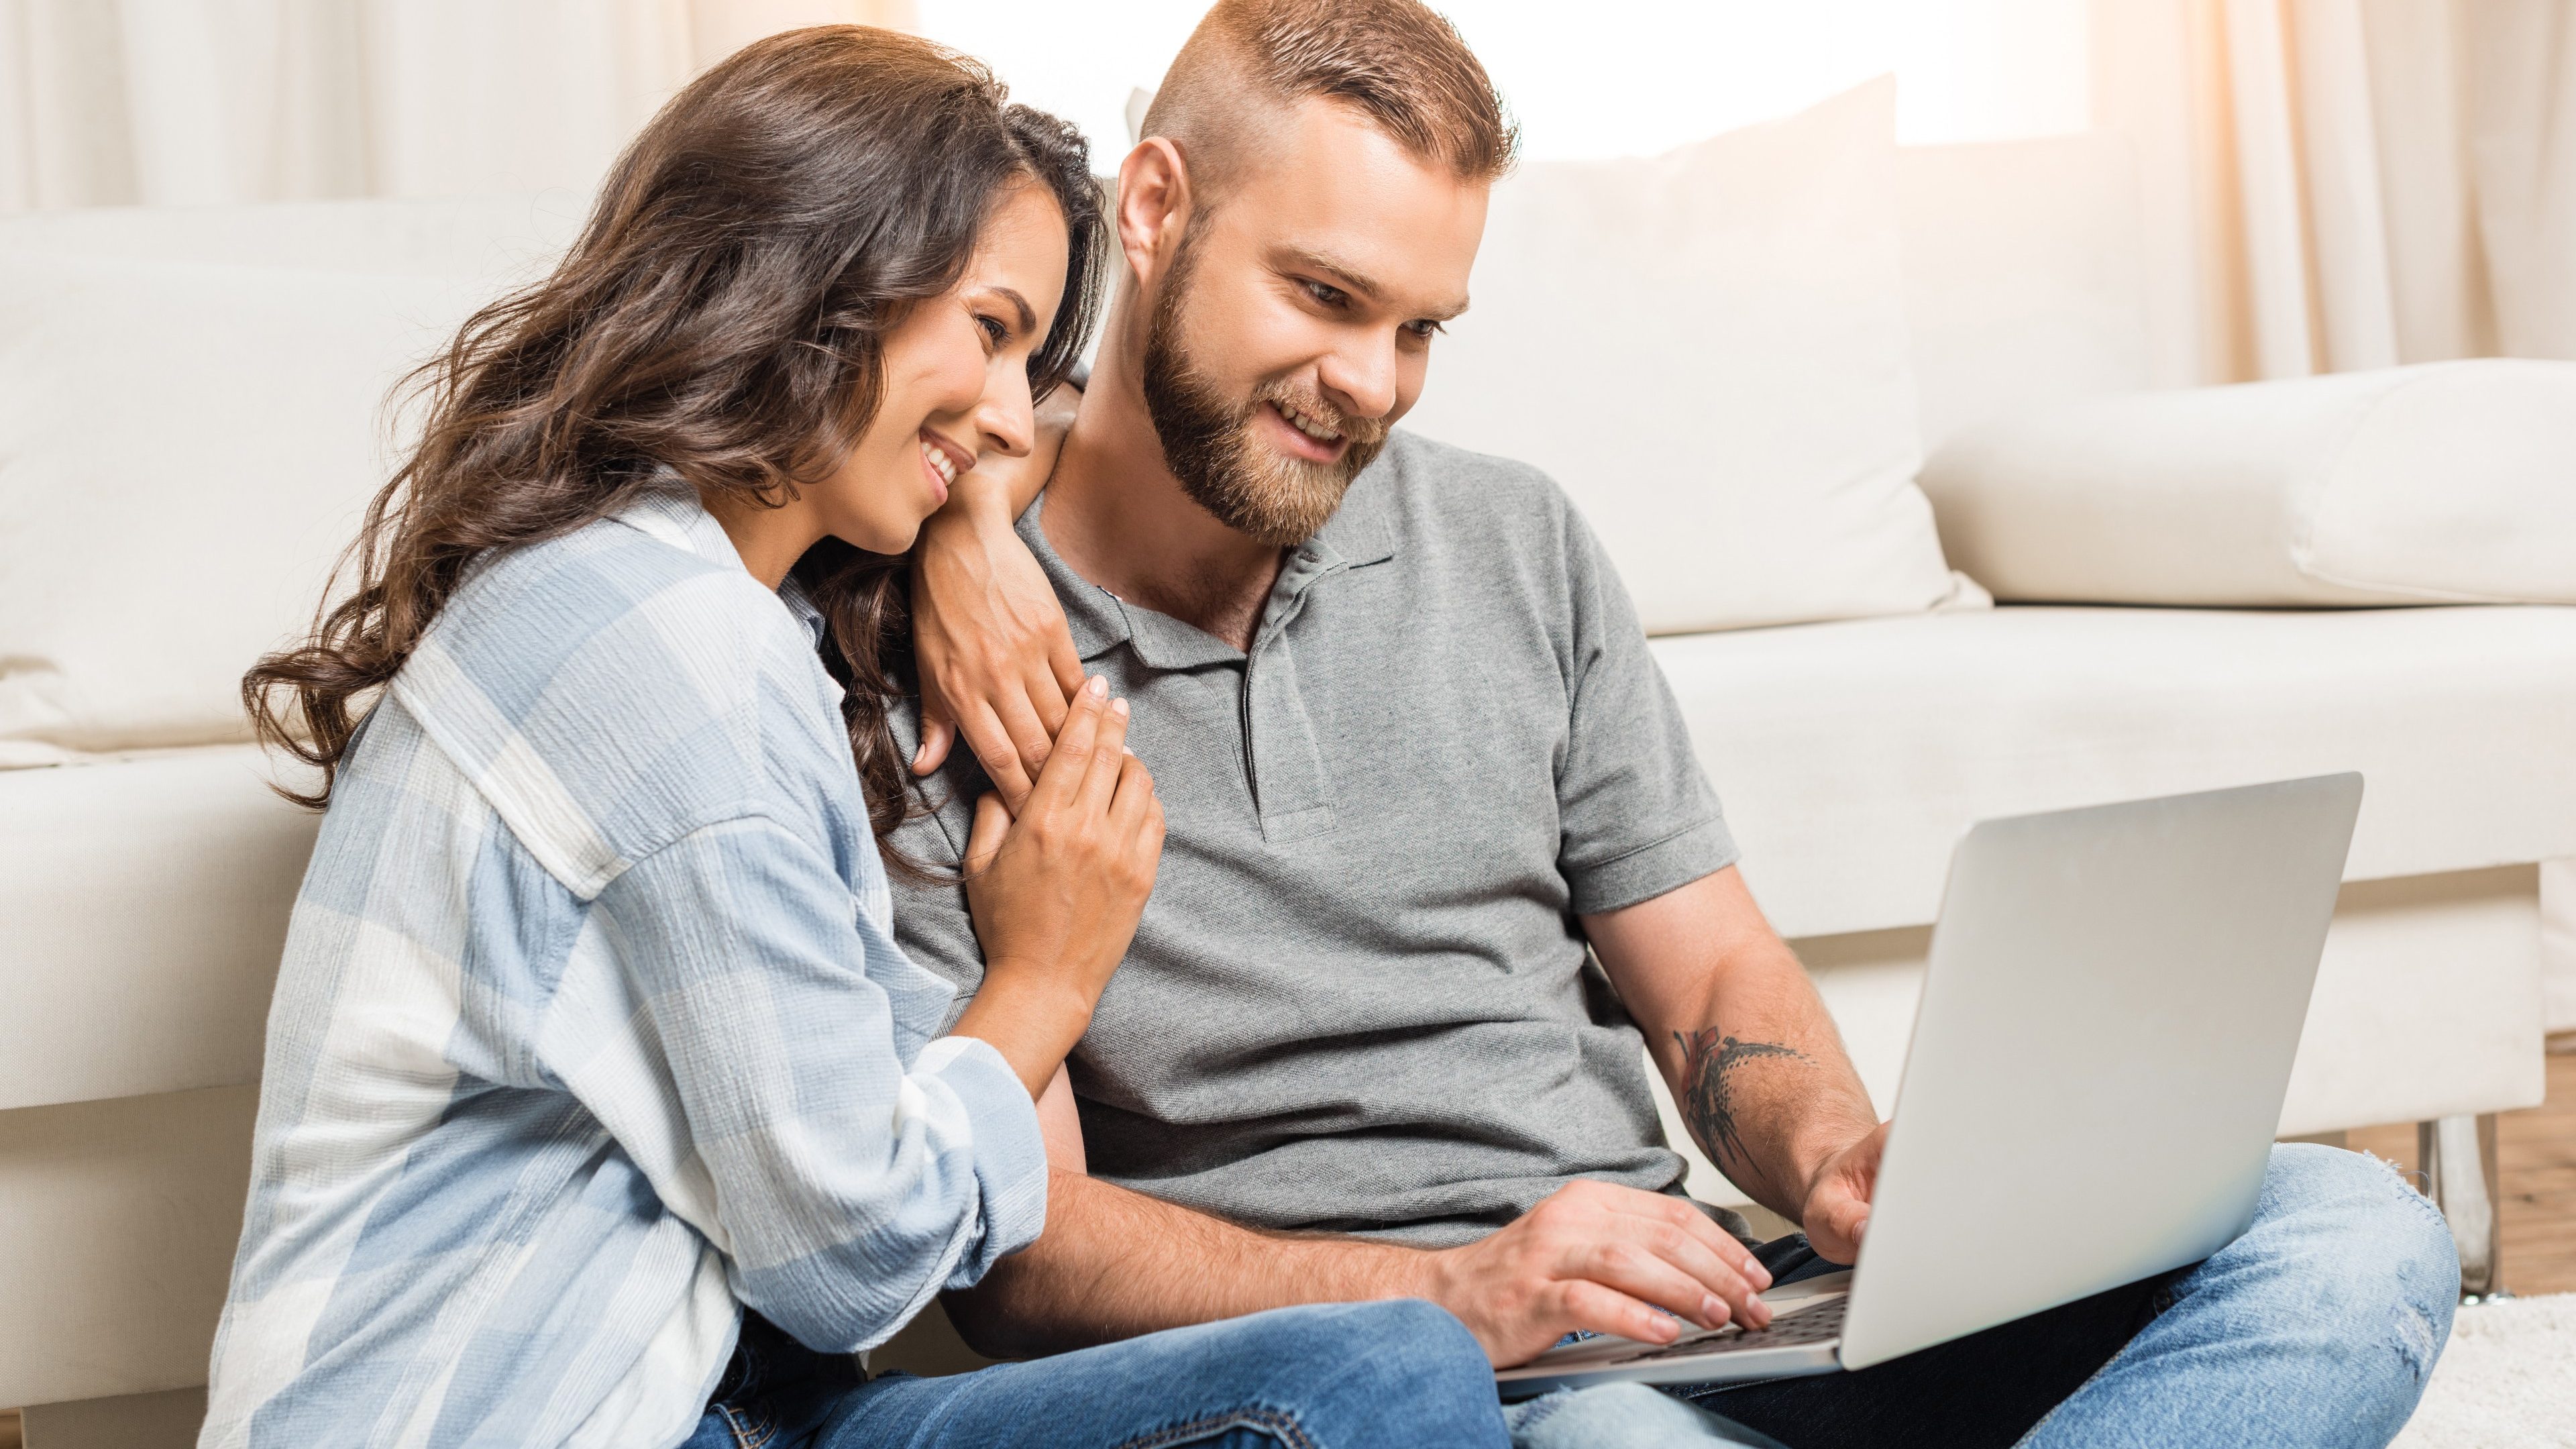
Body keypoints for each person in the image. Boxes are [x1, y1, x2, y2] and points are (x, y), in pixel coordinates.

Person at [885, 2, 2463, 1445]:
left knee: (2343, 1227)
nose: (1370, 385)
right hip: (1421, 1377)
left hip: (1697, 1311)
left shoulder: (1516, 542)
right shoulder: (937, 650)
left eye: (1423, 327)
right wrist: (1469, 1293)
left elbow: (1708, 972)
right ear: (1153, 210)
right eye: (1324, 296)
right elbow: (1025, 1261)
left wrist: (1834, 1165)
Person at [201, 28, 1514, 1449]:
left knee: (1384, 1372)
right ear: (821, 280)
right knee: (1390, 1383)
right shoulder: (672, 646)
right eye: (996, 332)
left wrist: (964, 518)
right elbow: (853, 1258)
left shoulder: (694, 610)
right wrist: (1046, 974)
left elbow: (863, 1128)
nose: (1015, 415)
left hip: (746, 1408)